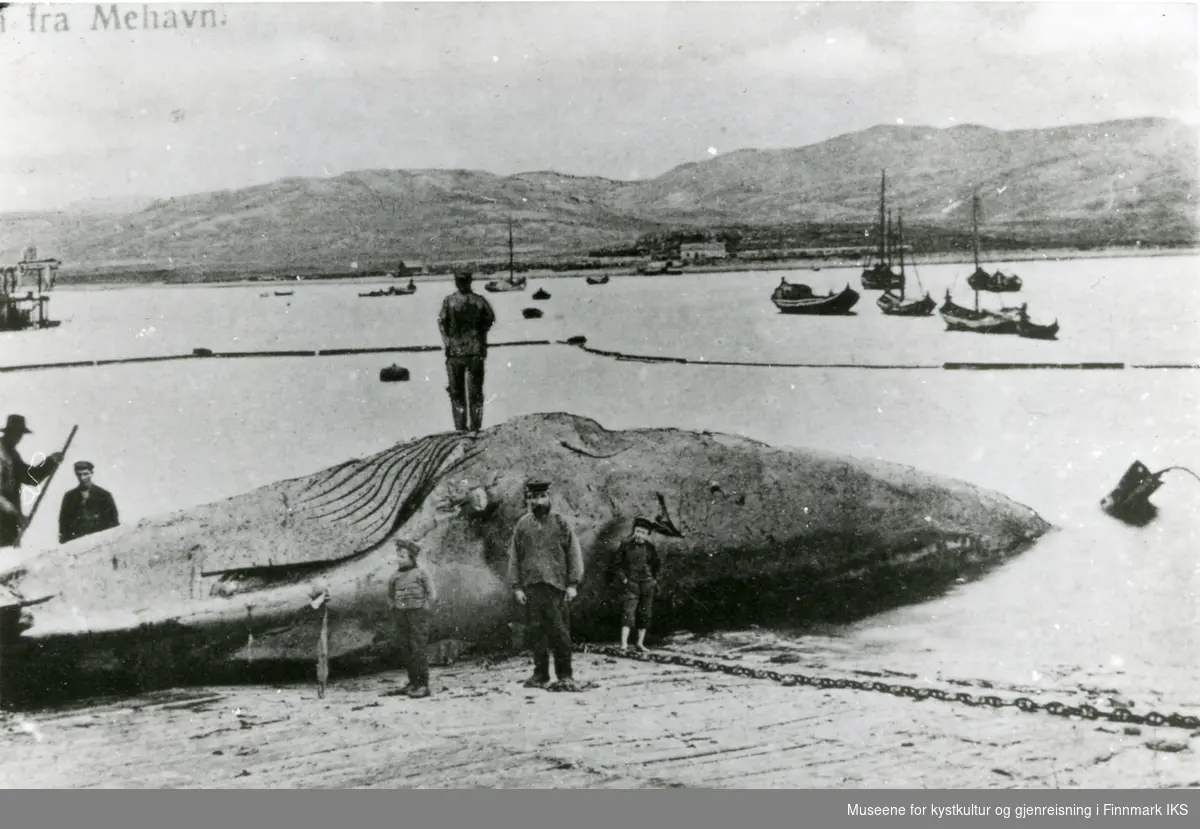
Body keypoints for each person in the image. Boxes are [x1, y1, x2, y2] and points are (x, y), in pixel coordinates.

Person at [507, 479, 585, 691]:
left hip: (556, 587)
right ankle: (540, 675)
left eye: (542, 497)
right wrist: (517, 586)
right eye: (533, 497)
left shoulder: (561, 523)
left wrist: (573, 583)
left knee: (560, 632)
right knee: (536, 632)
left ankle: (565, 676)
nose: (538, 501)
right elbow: (514, 556)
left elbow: (574, 553)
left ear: (549, 498)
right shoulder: (523, 525)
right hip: (532, 587)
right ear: (528, 499)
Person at [437, 271, 496, 432]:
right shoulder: (479, 301)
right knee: (475, 393)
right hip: (474, 351)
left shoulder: (449, 301)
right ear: (470, 282)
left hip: (455, 353)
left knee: (457, 394)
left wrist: (448, 341)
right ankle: (475, 428)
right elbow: (490, 319)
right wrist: (480, 334)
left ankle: (460, 428)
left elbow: (441, 323)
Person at [0, 415, 64, 550]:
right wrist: (17, 515)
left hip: (8, 524)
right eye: (15, 434)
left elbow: (30, 477)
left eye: (20, 434)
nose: (18, 438)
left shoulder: (13, 455)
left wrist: (51, 461)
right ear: (8, 432)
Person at [387, 538, 437, 699]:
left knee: (418, 648)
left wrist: (425, 607)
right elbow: (390, 596)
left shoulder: (420, 573)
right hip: (401, 614)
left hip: (418, 613)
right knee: (406, 647)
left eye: (402, 556)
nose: (398, 559)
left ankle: (423, 684)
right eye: (397, 555)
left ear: (411, 558)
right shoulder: (394, 577)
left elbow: (432, 593)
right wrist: (394, 609)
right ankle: (412, 682)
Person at [611, 516, 663, 652]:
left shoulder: (650, 548)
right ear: (634, 531)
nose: (640, 535)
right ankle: (623, 644)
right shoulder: (625, 546)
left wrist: (654, 580)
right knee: (628, 614)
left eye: (643, 533)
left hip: (647, 585)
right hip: (631, 585)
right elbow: (617, 565)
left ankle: (640, 644)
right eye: (638, 531)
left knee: (645, 614)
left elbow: (656, 565)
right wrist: (624, 579)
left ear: (647, 536)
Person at [58, 460, 120, 544]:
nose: (82, 478)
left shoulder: (104, 495)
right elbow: (63, 522)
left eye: (85, 474)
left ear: (91, 473)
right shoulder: (69, 497)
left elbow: (113, 522)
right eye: (79, 474)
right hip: (77, 543)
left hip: (100, 542)